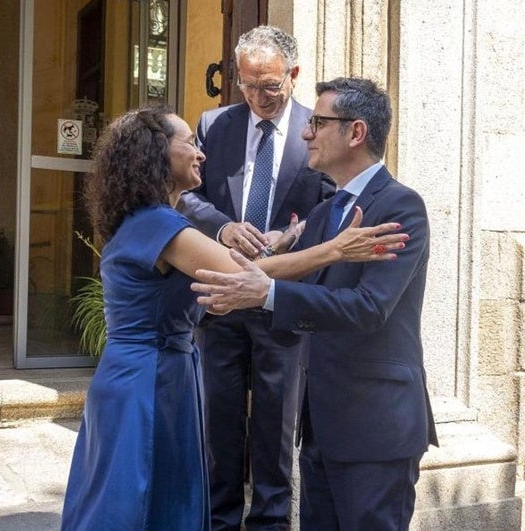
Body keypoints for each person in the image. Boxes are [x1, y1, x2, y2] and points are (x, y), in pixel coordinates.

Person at [60, 105, 406, 531]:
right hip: (145, 382)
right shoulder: (159, 225)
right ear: (155, 155)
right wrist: (336, 249)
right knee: (135, 501)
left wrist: (281, 245)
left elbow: (209, 286)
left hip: (159, 373)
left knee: (151, 496)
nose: (200, 152)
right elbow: (246, 274)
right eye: (188, 142)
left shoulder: (154, 221)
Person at [191, 78, 439, 531]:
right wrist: (253, 273)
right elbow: (297, 271)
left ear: (356, 132)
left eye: (318, 123)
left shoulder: (402, 206)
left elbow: (368, 308)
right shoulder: (327, 213)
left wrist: (265, 293)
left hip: (376, 428)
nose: (305, 132)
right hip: (322, 426)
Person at [178, 25, 333, 531]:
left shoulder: (321, 128)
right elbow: (185, 196)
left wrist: (293, 236)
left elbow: (336, 207)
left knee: (274, 431)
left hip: (282, 302)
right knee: (219, 428)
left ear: (294, 74)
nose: (258, 98)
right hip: (220, 302)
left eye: (269, 86)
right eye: (247, 86)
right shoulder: (215, 124)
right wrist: (222, 228)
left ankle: (269, 523)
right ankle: (219, 522)